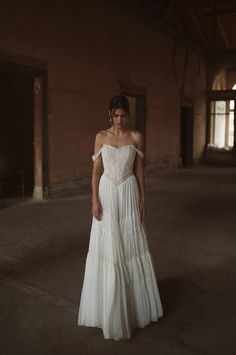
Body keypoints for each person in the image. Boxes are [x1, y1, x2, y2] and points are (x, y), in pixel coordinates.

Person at [78, 95, 163, 340]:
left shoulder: (136, 137)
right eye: (116, 115)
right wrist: (94, 199)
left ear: (128, 115)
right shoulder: (100, 137)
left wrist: (143, 198)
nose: (120, 119)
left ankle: (134, 307)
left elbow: (139, 170)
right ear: (109, 114)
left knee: (129, 246)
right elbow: (95, 172)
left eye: (124, 115)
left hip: (128, 191)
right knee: (107, 246)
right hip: (106, 191)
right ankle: (107, 306)